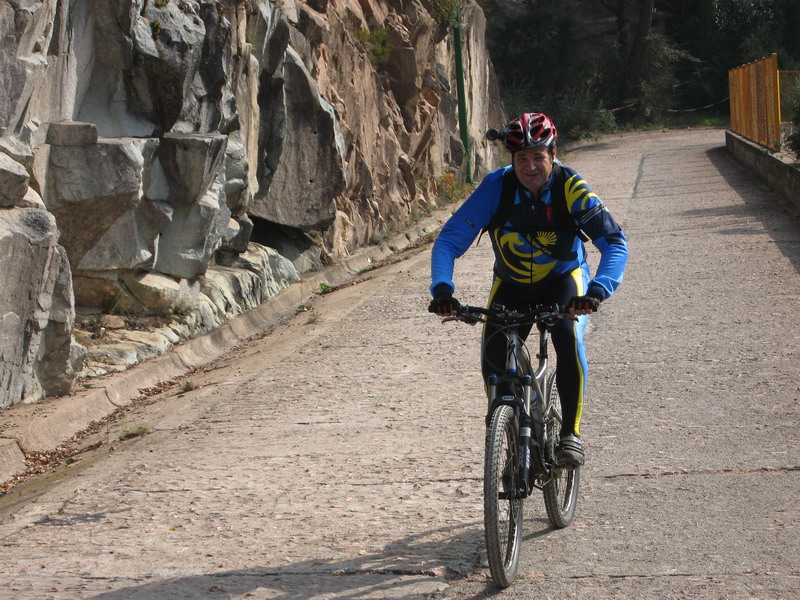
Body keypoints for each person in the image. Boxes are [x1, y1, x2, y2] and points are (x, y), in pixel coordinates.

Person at [428, 112, 628, 467]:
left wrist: (597, 291)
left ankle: (570, 434)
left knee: (566, 336)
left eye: (538, 156)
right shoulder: (497, 187)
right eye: (522, 158)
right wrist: (443, 289)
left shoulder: (571, 188)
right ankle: (508, 441)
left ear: (553, 154)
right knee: (493, 359)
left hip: (564, 282)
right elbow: (448, 241)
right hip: (512, 284)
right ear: (512, 160)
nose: (530, 166)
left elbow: (613, 242)